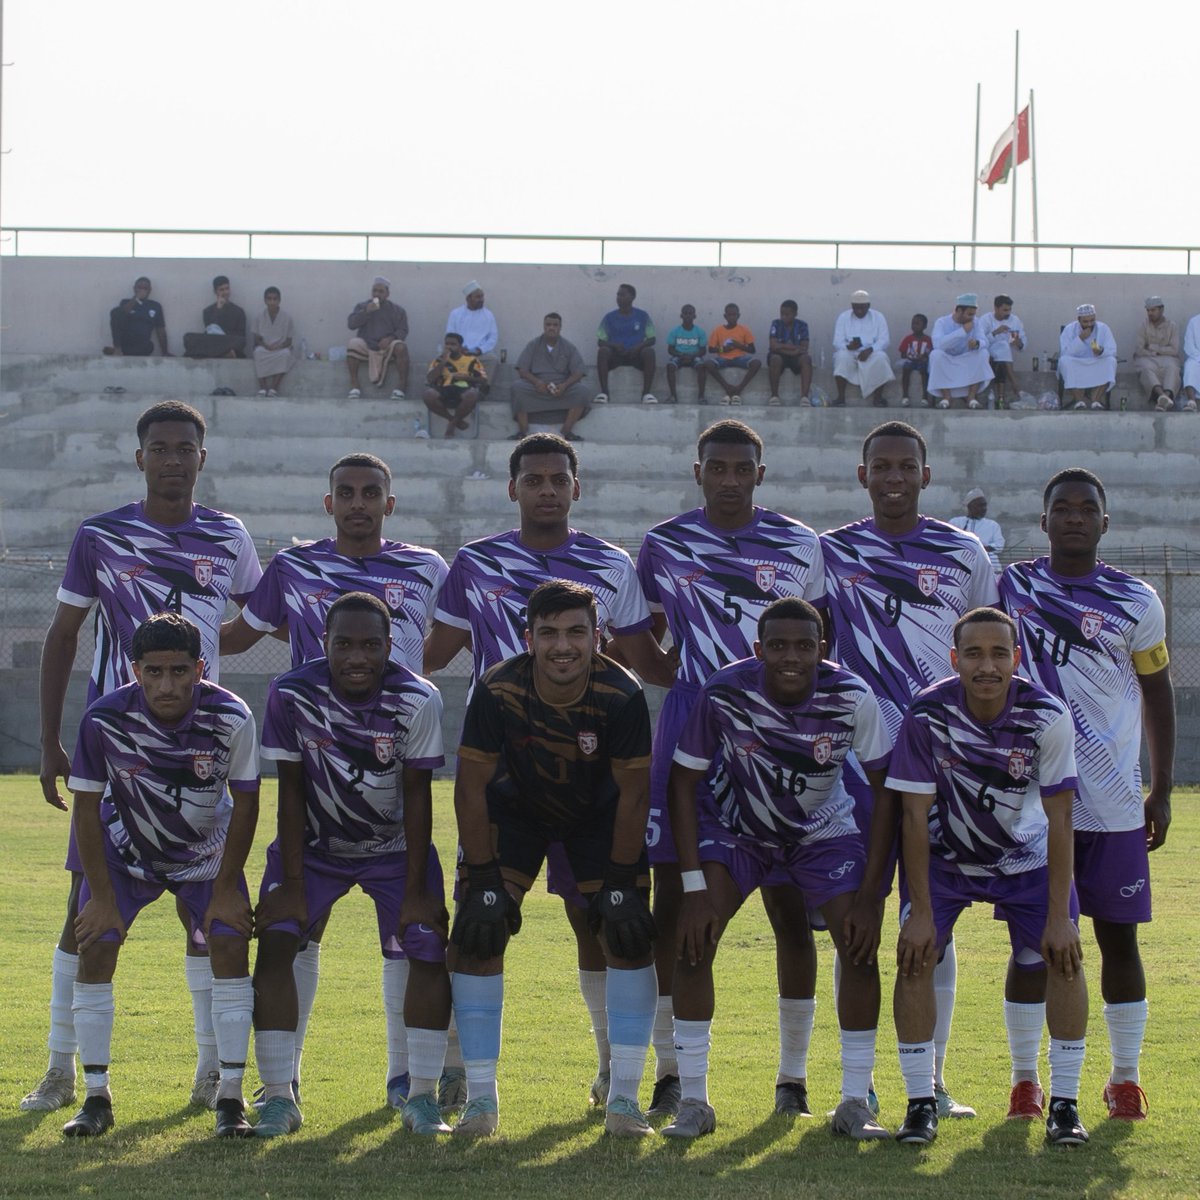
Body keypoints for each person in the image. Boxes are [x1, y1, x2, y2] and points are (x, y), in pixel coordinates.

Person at [22, 400, 262, 1116]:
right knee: (83, 910)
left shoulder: (227, 535)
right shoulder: (101, 535)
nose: (171, 459)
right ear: (140, 458)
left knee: (208, 913)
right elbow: (63, 635)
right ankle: (63, 1070)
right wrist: (49, 739)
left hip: (199, 755)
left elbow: (254, 617)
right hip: (116, 752)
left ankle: (210, 1073)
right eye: (159, 447)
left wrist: (199, 662)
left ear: (201, 458)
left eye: (184, 447)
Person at [424, 433, 675, 1112]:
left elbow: (641, 661)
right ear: (513, 489)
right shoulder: (475, 562)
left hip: (594, 775)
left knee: (603, 920)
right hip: (505, 773)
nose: (545, 489)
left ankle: (610, 1074)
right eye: (532, 479)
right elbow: (433, 654)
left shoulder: (610, 564)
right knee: (477, 917)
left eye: (557, 479)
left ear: (575, 487)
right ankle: (459, 1073)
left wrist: (711, 686)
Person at [220, 452, 447, 1109]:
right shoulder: (293, 569)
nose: (357, 503)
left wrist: (405, 686)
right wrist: (172, 654)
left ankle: (413, 1082)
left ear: (389, 502)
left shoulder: (427, 568)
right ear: (328, 503)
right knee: (294, 935)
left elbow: (455, 635)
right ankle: (278, 1087)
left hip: (392, 759)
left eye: (369, 492)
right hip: (317, 768)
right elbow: (240, 635)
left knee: (418, 936)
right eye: (345, 492)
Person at [635, 420, 828, 1121]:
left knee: (788, 904)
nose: (728, 478)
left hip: (781, 735)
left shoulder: (801, 543)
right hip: (693, 725)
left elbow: (818, 643)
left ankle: (793, 1080)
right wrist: (690, 690)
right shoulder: (664, 544)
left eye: (741, 467)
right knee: (675, 900)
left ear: (759, 473)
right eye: (716, 467)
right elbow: (642, 641)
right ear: (699, 471)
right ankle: (672, 1075)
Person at [820, 420, 998, 1121]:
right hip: (858, 768)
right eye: (882, 466)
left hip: (945, 766)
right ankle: (857, 1085)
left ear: (927, 475)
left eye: (907, 467)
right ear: (862, 475)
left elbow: (991, 652)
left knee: (933, 919)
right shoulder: (829, 553)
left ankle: (931, 1081)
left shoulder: (965, 552)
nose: (894, 478)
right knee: (857, 924)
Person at [665, 598, 893, 1141]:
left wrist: (872, 895)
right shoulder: (724, 690)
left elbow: (887, 791)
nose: (791, 656)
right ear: (758, 649)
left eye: (804, 645)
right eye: (779, 645)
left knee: (857, 947)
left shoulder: (852, 695)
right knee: (693, 941)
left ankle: (854, 1102)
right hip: (738, 830)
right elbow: (682, 781)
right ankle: (694, 1101)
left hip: (821, 833)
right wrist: (694, 888)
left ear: (822, 648)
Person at [449, 580, 658, 1139]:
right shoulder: (497, 688)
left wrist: (620, 880)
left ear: (598, 638)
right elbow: (469, 787)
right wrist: (485, 877)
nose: (562, 646)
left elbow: (635, 792)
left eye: (575, 633)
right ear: (528, 638)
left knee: (627, 931)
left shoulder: (623, 692)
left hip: (598, 815)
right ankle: (481, 1101)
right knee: (478, 929)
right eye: (548, 634)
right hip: (514, 812)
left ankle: (625, 1099)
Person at [999, 468, 1174, 1124]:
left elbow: (1157, 693)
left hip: (1116, 806)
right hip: (1033, 808)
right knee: (1032, 946)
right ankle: (1025, 1081)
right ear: (1043, 522)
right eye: (1062, 509)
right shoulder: (1010, 587)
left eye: (1087, 509)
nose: (1074, 517)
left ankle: (1124, 1078)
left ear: (1106, 522)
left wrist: (1160, 785)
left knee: (1119, 942)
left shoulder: (1137, 600)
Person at [888, 607, 1089, 1147]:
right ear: (954, 660)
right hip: (946, 860)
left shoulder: (1045, 715)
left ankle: (1065, 1106)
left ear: (1016, 660)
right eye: (973, 653)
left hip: (1028, 861)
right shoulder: (927, 713)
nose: (987, 665)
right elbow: (911, 815)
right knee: (914, 957)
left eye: (999, 653)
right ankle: (920, 1104)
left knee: (1065, 960)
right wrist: (922, 912)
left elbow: (1062, 818)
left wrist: (1059, 918)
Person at [253, 592, 451, 1138]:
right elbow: (289, 791)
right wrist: (292, 884)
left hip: (393, 850)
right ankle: (277, 1096)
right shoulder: (291, 692)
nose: (356, 657)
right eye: (344, 644)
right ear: (324, 644)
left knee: (427, 943)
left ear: (391, 647)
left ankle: (423, 1096)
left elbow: (418, 795)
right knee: (275, 939)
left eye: (371, 645)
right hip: (315, 849)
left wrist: (416, 889)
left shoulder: (418, 698)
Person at [63, 613, 260, 1139]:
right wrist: (101, 897)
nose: (166, 685)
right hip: (128, 853)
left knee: (229, 941)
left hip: (206, 854)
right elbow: (84, 809)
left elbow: (246, 803)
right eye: (153, 672)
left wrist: (225, 889)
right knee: (96, 944)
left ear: (200, 668)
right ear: (135, 671)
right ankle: (96, 1097)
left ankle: (231, 1101)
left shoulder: (231, 717)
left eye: (178, 671)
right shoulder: (104, 718)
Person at [511, 312, 590, 440]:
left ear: (560, 327)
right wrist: (537, 382)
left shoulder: (568, 347)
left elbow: (579, 372)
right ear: (544, 326)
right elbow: (522, 370)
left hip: (561, 389)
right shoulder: (533, 345)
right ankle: (523, 431)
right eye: (548, 324)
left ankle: (566, 432)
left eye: (555, 325)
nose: (551, 328)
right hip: (537, 388)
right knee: (517, 387)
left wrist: (564, 385)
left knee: (582, 391)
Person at [347, 277, 410, 400]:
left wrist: (390, 339)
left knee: (401, 347)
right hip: (367, 344)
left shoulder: (398, 310)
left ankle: (401, 387)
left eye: (381, 291)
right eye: (374, 291)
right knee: (353, 343)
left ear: (387, 294)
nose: (377, 294)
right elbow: (351, 325)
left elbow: (403, 330)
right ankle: (354, 386)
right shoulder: (362, 306)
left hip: (387, 346)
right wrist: (366, 312)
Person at [928, 293, 993, 410]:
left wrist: (977, 344)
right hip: (948, 359)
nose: (971, 318)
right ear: (958, 311)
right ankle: (946, 398)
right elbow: (938, 344)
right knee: (935, 355)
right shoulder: (942, 322)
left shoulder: (976, 322)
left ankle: (971, 398)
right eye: (969, 314)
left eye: (973, 315)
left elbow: (985, 341)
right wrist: (962, 331)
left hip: (966, 360)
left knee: (983, 353)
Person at [595, 283, 657, 405]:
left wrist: (638, 347)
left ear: (632, 297)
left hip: (636, 355)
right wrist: (614, 346)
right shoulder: (609, 317)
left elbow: (652, 339)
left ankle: (646, 394)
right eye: (617, 295)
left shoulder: (642, 316)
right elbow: (600, 341)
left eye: (622, 295)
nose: (618, 297)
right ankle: (604, 393)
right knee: (603, 351)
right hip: (616, 355)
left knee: (649, 352)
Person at [832, 290, 894, 407]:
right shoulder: (844, 317)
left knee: (882, 358)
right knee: (841, 357)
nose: (859, 311)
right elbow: (837, 341)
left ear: (868, 306)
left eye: (862, 308)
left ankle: (878, 398)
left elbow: (884, 340)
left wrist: (870, 350)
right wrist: (848, 346)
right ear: (852, 306)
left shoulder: (878, 317)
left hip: (871, 352)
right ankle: (840, 397)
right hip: (850, 352)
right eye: (856, 308)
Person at [422, 332, 486, 438]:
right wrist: (443, 362)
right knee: (428, 394)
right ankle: (453, 420)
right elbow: (429, 379)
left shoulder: (472, 360)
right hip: (442, 388)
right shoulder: (438, 360)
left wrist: (467, 378)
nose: (449, 347)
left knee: (472, 394)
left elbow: (483, 380)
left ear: (460, 347)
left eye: (453, 344)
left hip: (463, 389)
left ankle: (451, 425)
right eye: (447, 344)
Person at [1059, 304, 1116, 410]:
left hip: (1096, 362)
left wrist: (1101, 351)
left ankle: (1096, 401)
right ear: (1079, 320)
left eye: (1092, 320)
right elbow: (1065, 353)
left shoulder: (1103, 328)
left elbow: (1112, 350)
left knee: (1111, 361)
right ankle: (1079, 401)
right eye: (1086, 321)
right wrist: (1080, 338)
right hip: (1077, 363)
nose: (1089, 324)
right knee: (1064, 361)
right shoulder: (1069, 329)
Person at [446, 281, 500, 395]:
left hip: (480, 352)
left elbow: (493, 337)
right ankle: (449, 387)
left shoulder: (488, 315)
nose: (481, 299)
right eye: (478, 297)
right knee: (443, 358)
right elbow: (450, 335)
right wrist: (459, 349)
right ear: (468, 299)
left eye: (482, 296)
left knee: (492, 359)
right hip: (459, 351)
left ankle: (484, 387)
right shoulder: (456, 314)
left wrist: (479, 350)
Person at [704, 303, 761, 405]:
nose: (732, 317)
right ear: (725, 316)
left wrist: (739, 346)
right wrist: (723, 350)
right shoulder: (718, 330)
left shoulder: (744, 330)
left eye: (734, 315)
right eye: (729, 315)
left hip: (740, 358)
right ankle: (727, 387)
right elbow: (711, 349)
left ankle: (739, 388)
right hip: (723, 358)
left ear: (738, 316)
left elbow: (752, 350)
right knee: (708, 363)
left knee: (756, 363)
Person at [976, 295, 1026, 409]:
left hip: (1004, 356)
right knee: (1003, 347)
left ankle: (1001, 399)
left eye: (1009, 310)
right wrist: (995, 332)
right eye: (1004, 310)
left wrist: (1019, 343)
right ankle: (1015, 384)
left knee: (1003, 350)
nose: (1008, 313)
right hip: (988, 352)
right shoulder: (985, 319)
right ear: (996, 308)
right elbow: (980, 341)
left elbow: (1023, 342)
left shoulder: (1015, 320)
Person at [1132, 296, 1181, 411]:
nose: (1150, 313)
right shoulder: (1143, 325)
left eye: (1153, 310)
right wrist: (1154, 353)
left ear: (1161, 309)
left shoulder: (1172, 326)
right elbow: (1139, 349)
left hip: (1168, 358)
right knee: (1145, 367)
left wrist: (1154, 348)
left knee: (1172, 368)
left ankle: (1164, 398)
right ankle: (1162, 396)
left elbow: (1174, 350)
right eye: (1148, 310)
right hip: (1147, 357)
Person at [184, 276, 248, 359]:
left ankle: (225, 353)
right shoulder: (207, 311)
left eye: (227, 289)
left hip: (230, 343)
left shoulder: (239, 311)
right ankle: (224, 354)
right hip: (213, 343)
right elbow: (210, 330)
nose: (225, 292)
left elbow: (241, 336)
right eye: (221, 290)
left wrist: (225, 337)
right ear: (215, 291)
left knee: (239, 342)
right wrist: (218, 310)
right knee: (189, 338)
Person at [105, 277, 170, 357]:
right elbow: (120, 315)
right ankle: (117, 349)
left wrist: (165, 352)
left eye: (145, 288)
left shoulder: (155, 306)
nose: (142, 290)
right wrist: (136, 298)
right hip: (125, 342)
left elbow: (160, 330)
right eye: (139, 287)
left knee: (150, 346)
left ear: (150, 290)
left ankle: (114, 351)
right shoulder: (126, 302)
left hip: (143, 345)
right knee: (116, 312)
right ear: (134, 289)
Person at [251, 286, 298, 396]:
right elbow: (256, 338)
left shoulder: (287, 317)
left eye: (275, 299)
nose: (272, 302)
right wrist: (265, 346)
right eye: (269, 299)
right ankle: (263, 388)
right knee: (258, 353)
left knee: (286, 355)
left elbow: (289, 340)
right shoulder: (259, 316)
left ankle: (273, 388)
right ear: (265, 300)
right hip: (264, 348)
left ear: (279, 300)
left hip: (280, 349)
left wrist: (279, 346)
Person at [948, 487, 1005, 573]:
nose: (984, 508)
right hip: (962, 565)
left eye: (985, 505)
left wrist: (983, 548)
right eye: (980, 505)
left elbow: (999, 544)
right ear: (970, 507)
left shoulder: (992, 525)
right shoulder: (956, 522)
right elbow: (949, 542)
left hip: (988, 566)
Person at [767, 299, 812, 406]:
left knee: (806, 359)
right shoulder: (776, 324)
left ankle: (804, 397)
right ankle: (774, 396)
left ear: (795, 314)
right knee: (775, 359)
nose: (784, 317)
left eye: (787, 314)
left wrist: (781, 346)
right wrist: (791, 348)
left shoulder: (802, 325)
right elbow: (773, 346)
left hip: (795, 357)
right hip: (781, 356)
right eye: (782, 314)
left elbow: (804, 348)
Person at [666, 304, 708, 404]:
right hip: (679, 356)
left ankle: (701, 397)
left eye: (690, 313)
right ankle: (673, 396)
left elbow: (703, 351)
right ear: (681, 316)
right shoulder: (675, 331)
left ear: (694, 316)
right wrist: (681, 355)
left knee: (702, 366)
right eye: (685, 313)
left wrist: (692, 356)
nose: (688, 316)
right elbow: (670, 349)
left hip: (694, 356)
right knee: (670, 366)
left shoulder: (700, 332)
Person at [896, 314, 933, 407]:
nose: (914, 326)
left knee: (925, 372)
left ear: (924, 326)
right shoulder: (908, 339)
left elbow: (930, 353)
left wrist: (924, 357)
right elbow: (902, 353)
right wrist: (910, 357)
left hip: (922, 362)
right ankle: (905, 396)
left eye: (917, 324)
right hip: (910, 361)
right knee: (906, 369)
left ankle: (925, 397)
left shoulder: (928, 339)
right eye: (913, 323)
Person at [1180, 312, 1200, 412]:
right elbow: (1189, 345)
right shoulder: (1194, 322)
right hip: (1196, 358)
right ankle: (1192, 401)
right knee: (1190, 366)